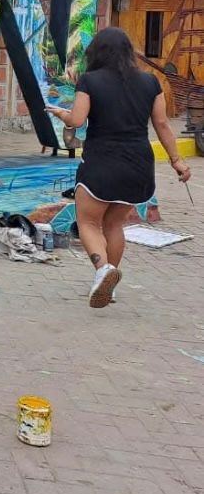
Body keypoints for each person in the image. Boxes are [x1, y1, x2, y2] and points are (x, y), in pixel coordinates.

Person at [46, 27, 191, 308]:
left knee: (88, 223)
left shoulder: (90, 81)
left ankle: (103, 270)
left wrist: (62, 114)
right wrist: (177, 161)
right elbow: (162, 124)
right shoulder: (150, 82)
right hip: (138, 167)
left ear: (97, 53)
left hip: (101, 164)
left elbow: (77, 120)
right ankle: (108, 286)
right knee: (113, 224)